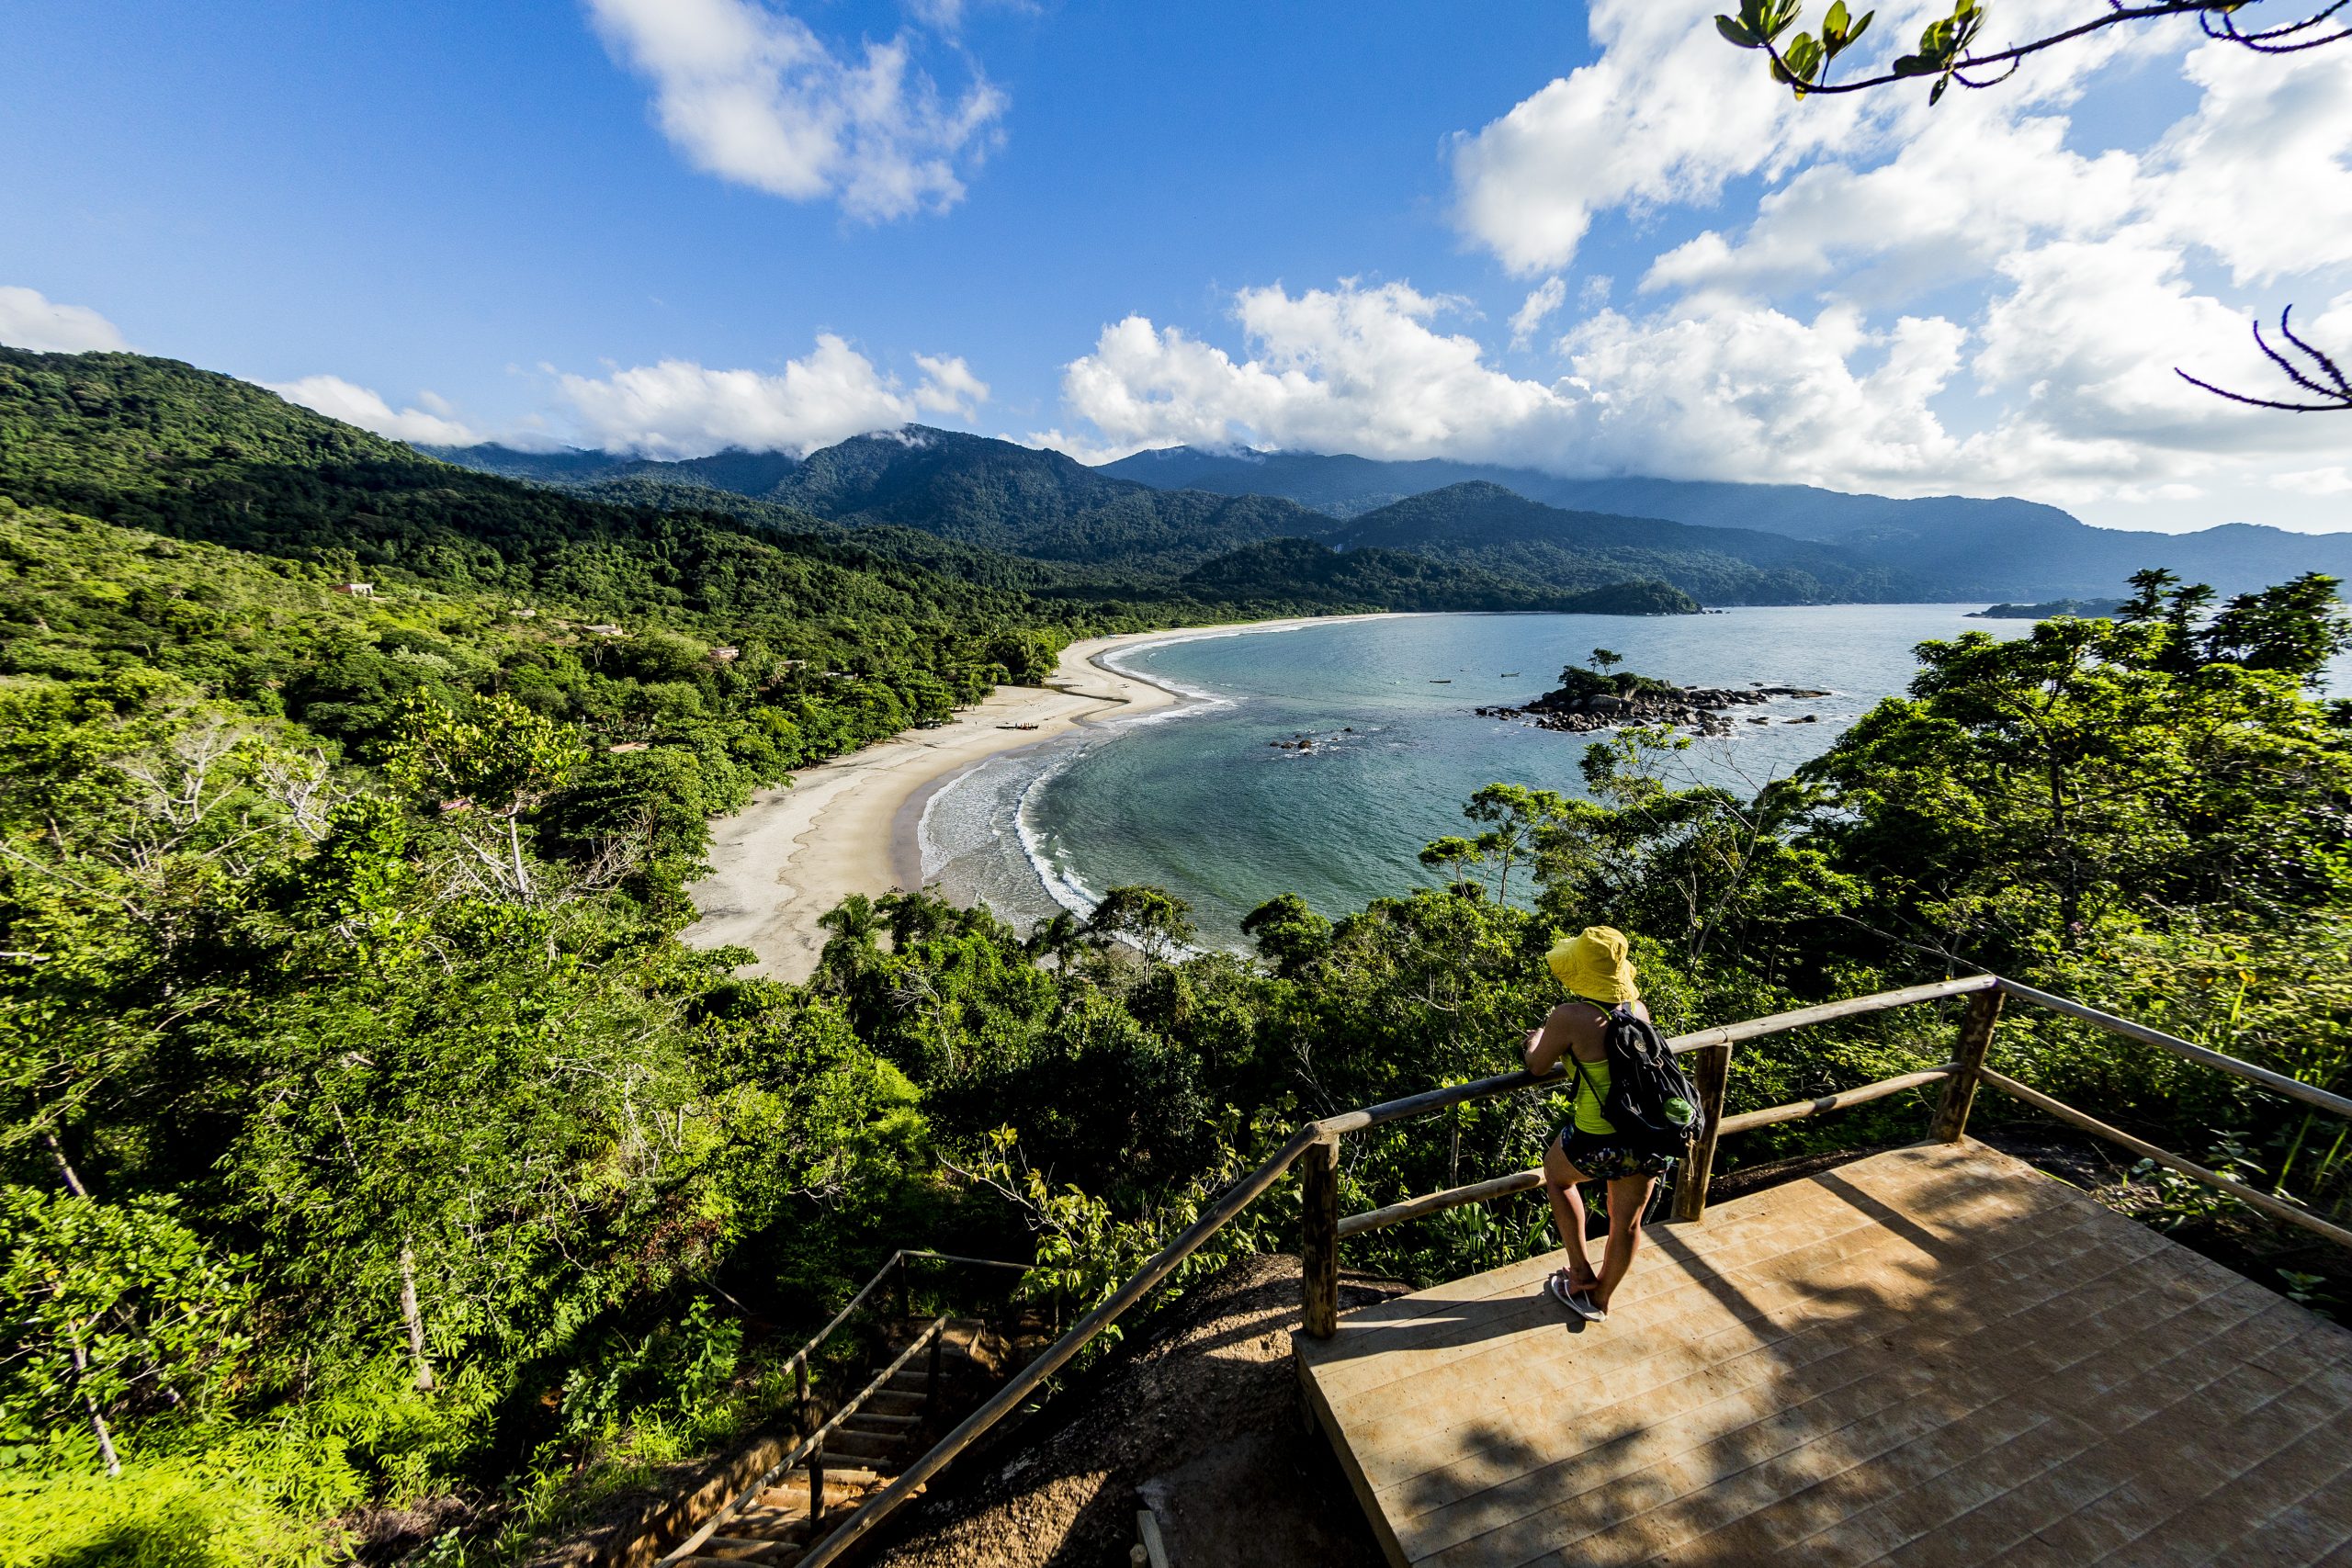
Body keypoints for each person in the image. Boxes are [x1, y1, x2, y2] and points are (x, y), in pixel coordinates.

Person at [1523, 925, 1673, 1323]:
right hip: (1648, 1135)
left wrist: (1535, 1040)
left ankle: (1578, 1272)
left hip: (1597, 1136)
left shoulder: (1570, 1016)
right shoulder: (1637, 1010)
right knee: (1627, 1221)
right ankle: (1601, 1300)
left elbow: (1538, 1066)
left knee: (1558, 1178)